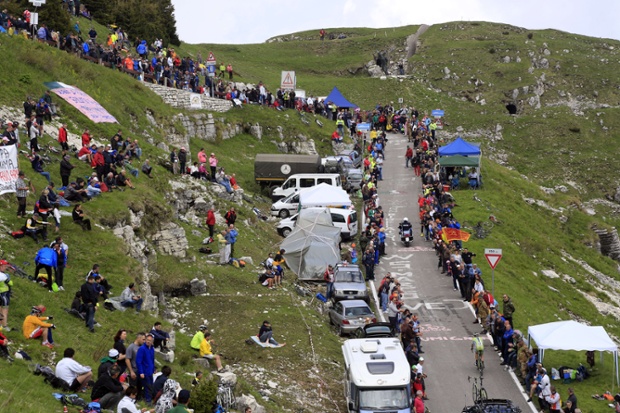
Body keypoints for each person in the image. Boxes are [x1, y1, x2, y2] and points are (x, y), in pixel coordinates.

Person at [136, 333, 156, 404]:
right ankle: (148, 401)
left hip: (150, 371)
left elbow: (152, 359)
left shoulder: (152, 349)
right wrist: (141, 372)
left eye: (150, 340)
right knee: (147, 387)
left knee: (150, 386)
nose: (148, 341)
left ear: (152, 341)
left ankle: (148, 399)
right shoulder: (142, 349)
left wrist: (154, 368)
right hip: (144, 372)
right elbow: (139, 361)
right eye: (147, 340)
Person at [0, 260, 14, 331]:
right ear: (1, 266)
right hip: (4, 293)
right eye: (5, 266)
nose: (5, 268)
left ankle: (0, 325)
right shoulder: (3, 276)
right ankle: (5, 326)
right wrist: (8, 278)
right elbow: (11, 283)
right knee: (5, 310)